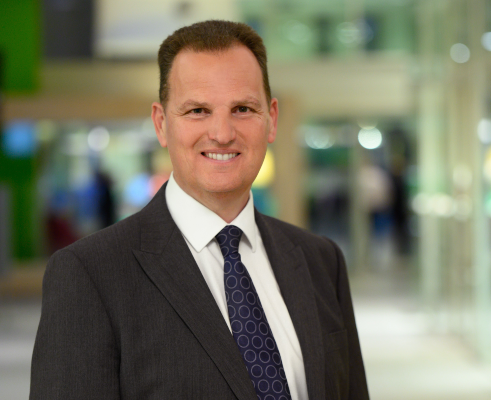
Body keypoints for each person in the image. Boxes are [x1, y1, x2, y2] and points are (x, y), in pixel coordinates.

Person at [30, 20, 369, 400]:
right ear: (161, 123)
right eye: (197, 111)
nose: (222, 133)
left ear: (271, 118)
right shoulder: (89, 275)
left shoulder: (321, 262)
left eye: (242, 108)